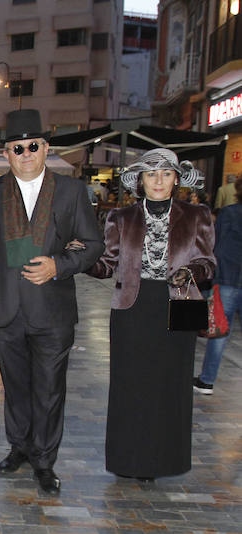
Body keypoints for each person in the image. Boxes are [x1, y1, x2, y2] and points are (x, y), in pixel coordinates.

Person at [0, 109, 104, 495]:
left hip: (52, 311)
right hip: (4, 309)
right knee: (15, 387)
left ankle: (44, 460)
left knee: (49, 388)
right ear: (6, 154)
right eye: (16, 147)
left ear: (45, 148)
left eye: (32, 146)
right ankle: (20, 447)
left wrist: (59, 265)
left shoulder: (72, 191)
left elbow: (93, 246)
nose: (25, 153)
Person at [86, 148, 215, 480]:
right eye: (151, 174)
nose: (159, 181)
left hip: (183, 302)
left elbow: (208, 262)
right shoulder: (120, 218)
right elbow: (107, 265)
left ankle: (164, 462)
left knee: (172, 385)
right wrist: (81, 257)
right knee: (132, 385)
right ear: (140, 181)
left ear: (176, 179)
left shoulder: (198, 215)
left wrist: (191, 273)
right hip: (133, 305)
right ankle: (130, 461)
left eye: (166, 174)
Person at [194, 184, 242, 395]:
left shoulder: (230, 213)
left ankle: (207, 380)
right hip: (229, 278)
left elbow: (218, 245)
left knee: (220, 330)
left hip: (229, 277)